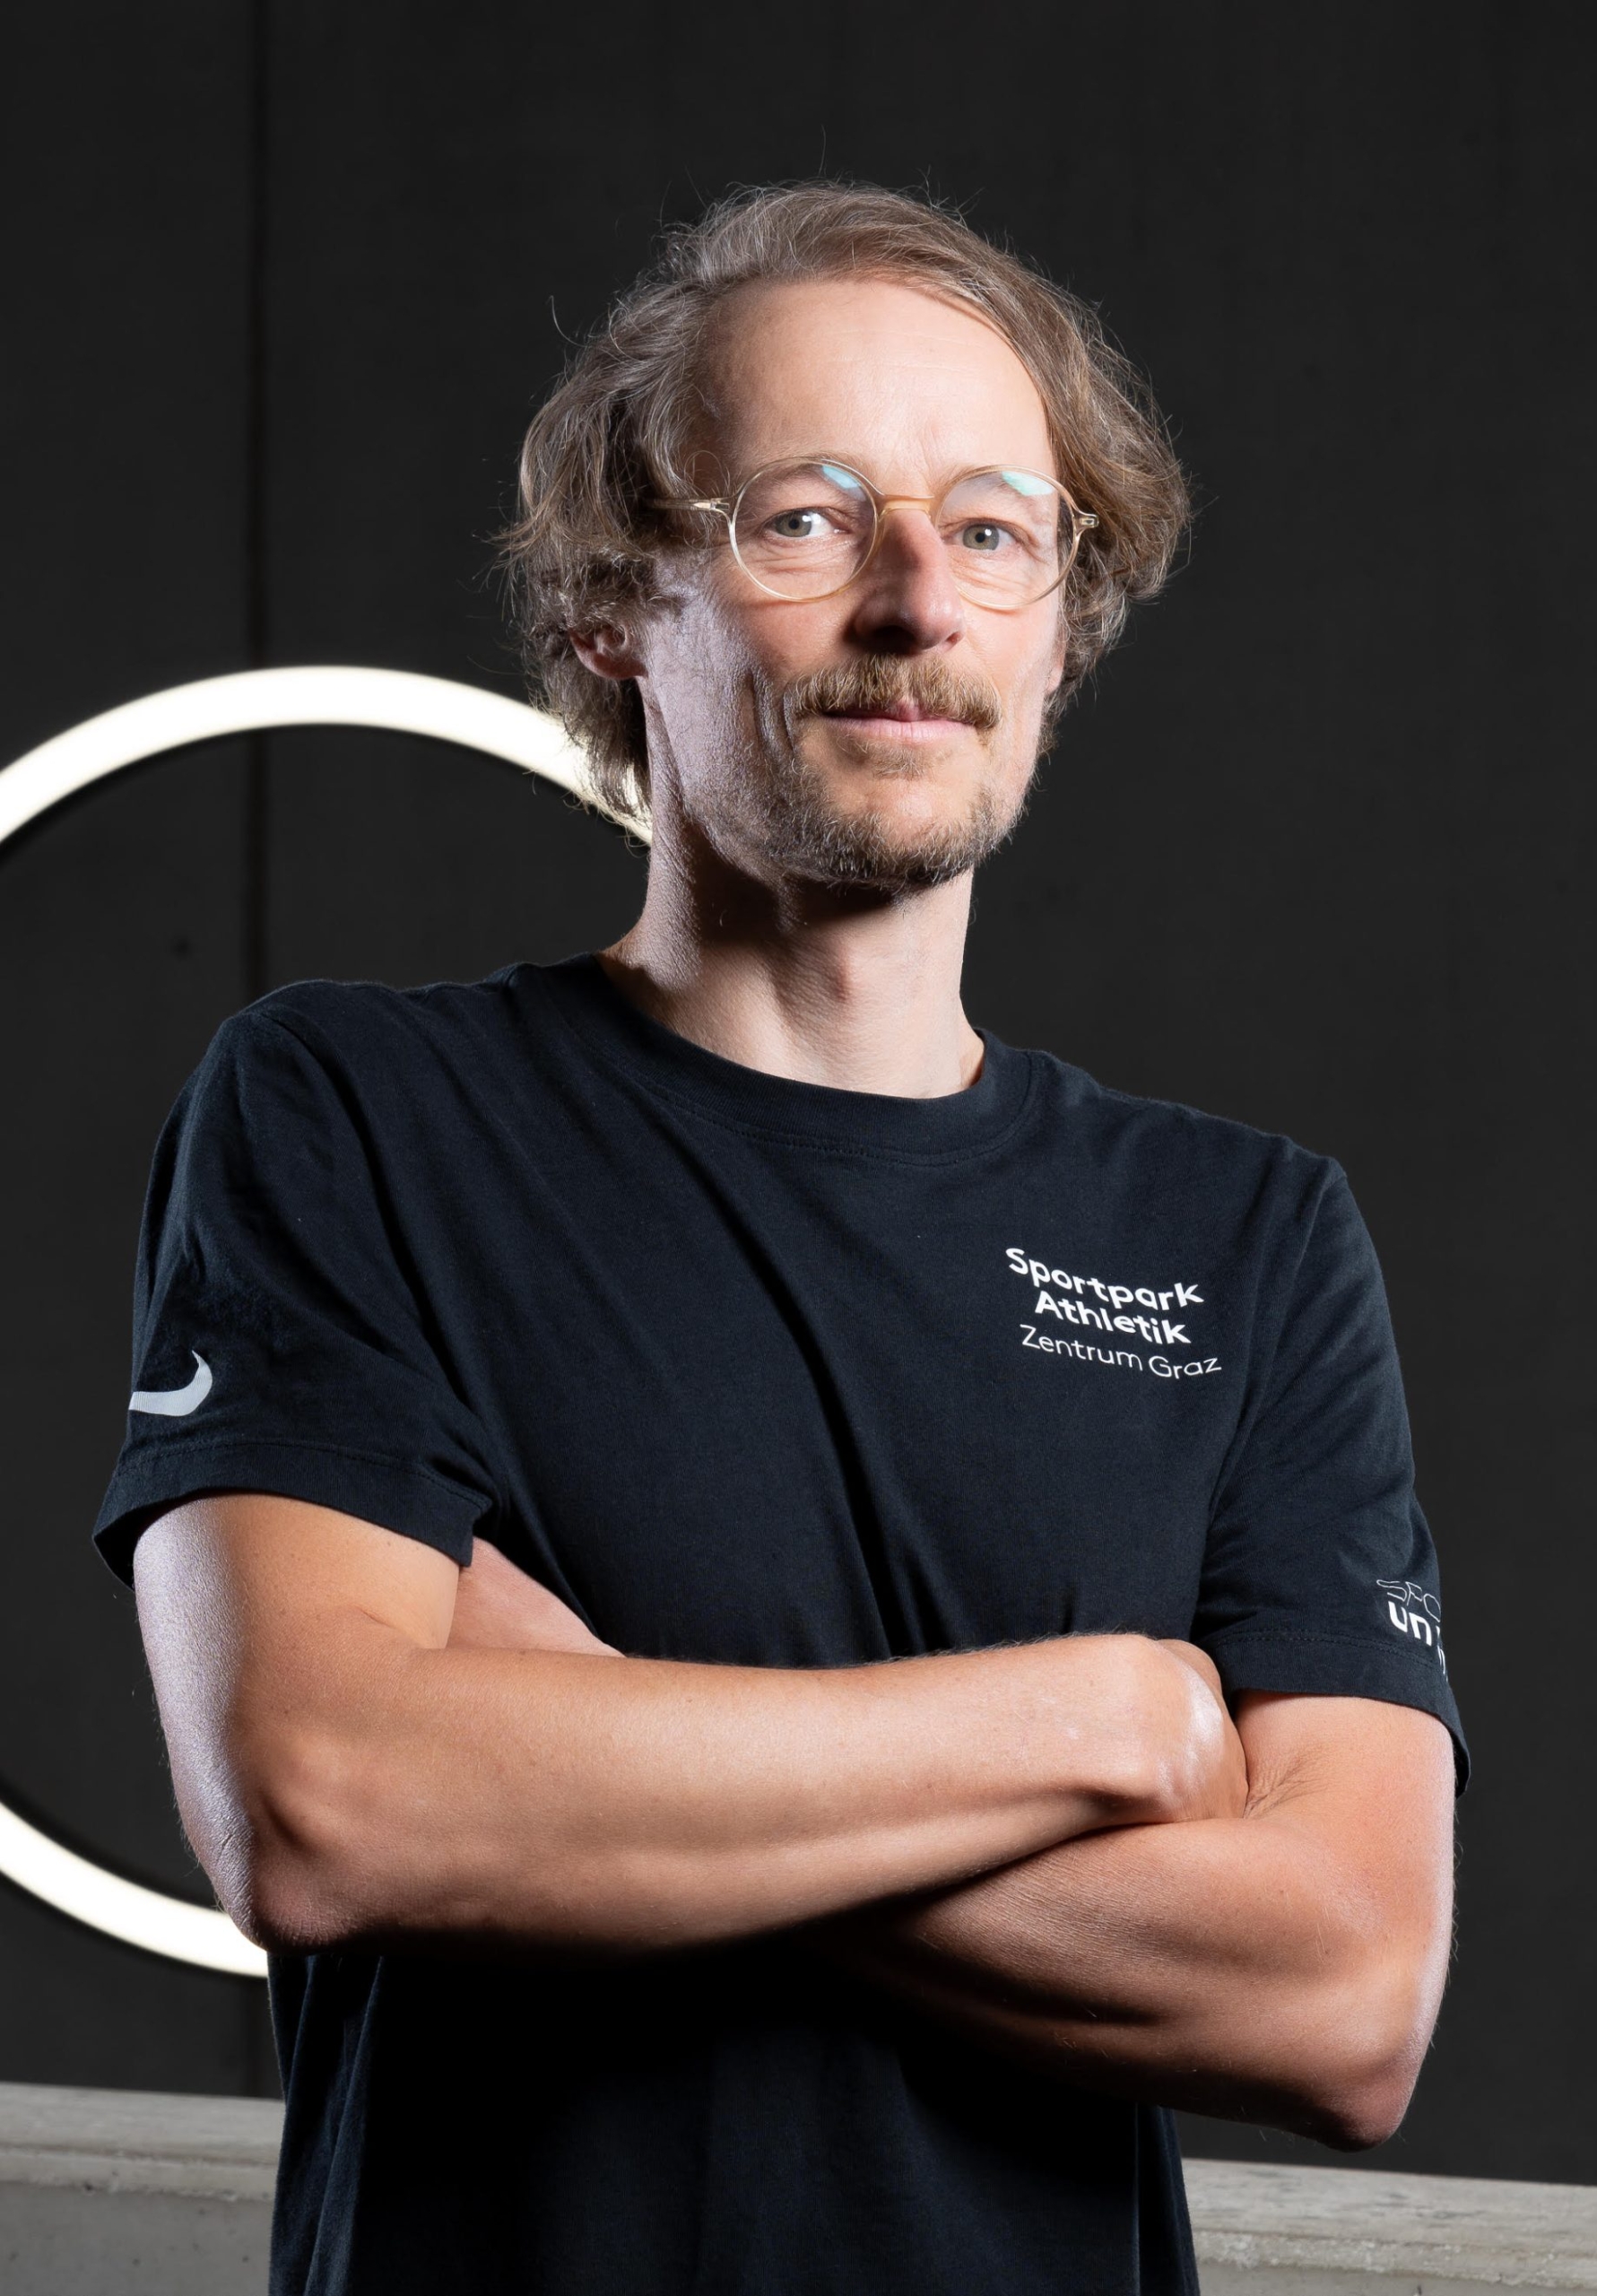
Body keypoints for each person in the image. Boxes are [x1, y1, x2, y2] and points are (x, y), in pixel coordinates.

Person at [99, 183, 1464, 2296]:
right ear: (609, 606)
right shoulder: (355, 1113)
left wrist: (579, 1743)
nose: (916, 602)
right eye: (806, 519)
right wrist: (1088, 1719)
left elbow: (1345, 1991)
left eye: (994, 530)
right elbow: (325, 1799)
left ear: (1058, 627)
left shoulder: (1244, 1237)